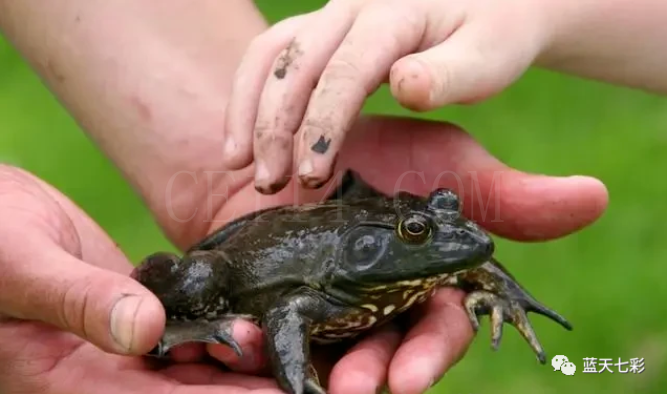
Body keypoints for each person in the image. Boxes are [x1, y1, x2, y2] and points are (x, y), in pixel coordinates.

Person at [0, 1, 661, 394]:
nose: (446, 242)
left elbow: (466, 253)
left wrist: (502, 288)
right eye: (414, 235)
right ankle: (179, 326)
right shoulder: (319, 293)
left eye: (434, 224)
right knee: (199, 277)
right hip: (244, 265)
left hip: (316, 225)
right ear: (380, 243)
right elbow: (289, 317)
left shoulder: (432, 252)